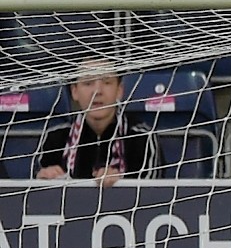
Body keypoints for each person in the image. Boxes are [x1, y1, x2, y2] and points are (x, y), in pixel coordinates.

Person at [35, 64, 163, 185]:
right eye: (88, 83)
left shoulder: (142, 137)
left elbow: (151, 195)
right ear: (74, 91)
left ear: (119, 90)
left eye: (107, 82)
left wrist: (120, 183)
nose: (97, 91)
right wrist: (42, 179)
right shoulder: (54, 138)